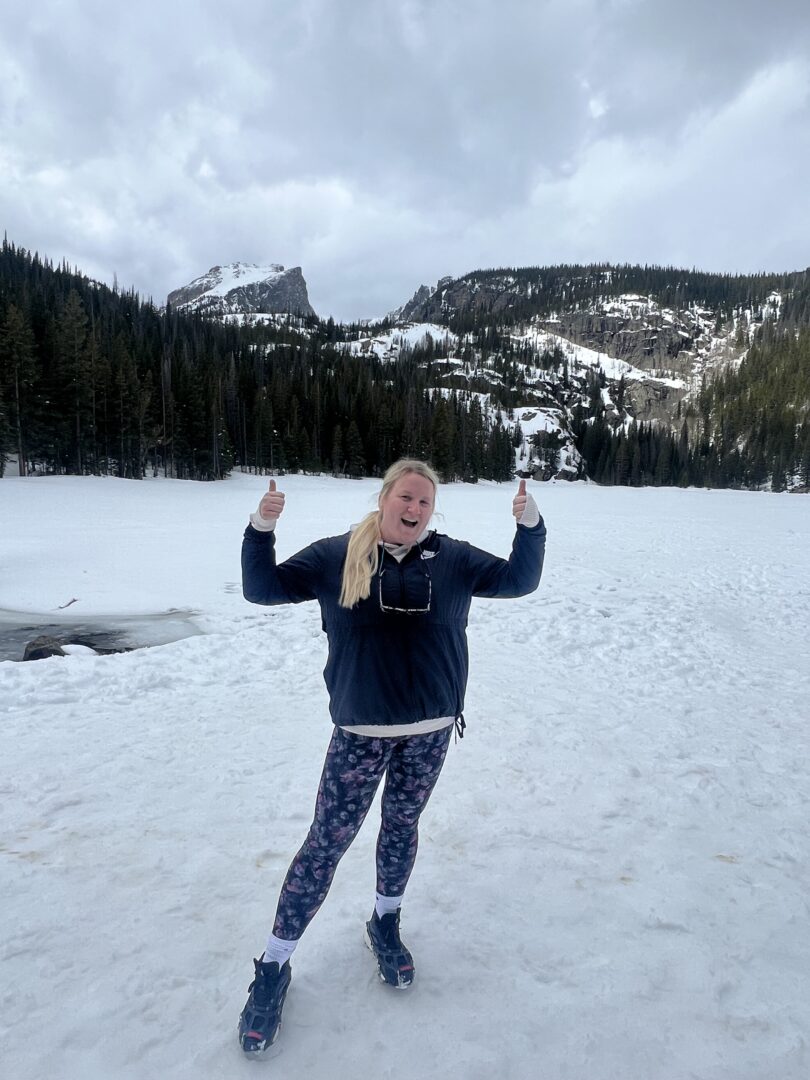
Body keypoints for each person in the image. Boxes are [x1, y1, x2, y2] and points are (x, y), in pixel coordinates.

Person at [237, 458, 546, 1056]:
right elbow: (261, 589)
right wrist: (260, 529)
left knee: (402, 828)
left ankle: (384, 921)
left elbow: (517, 581)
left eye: (425, 503)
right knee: (326, 842)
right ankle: (274, 965)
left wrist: (530, 526)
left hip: (429, 730)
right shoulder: (335, 556)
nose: (415, 510)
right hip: (361, 731)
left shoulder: (452, 558)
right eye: (406, 498)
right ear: (385, 499)